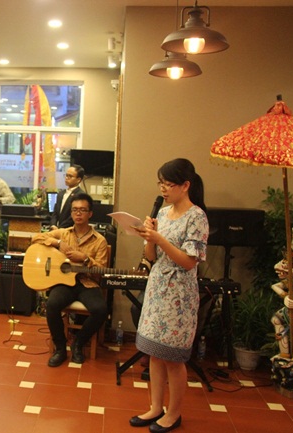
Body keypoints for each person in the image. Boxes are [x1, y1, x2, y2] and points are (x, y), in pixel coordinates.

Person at [130, 158, 208, 433]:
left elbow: (189, 261)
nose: (163, 189)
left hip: (179, 295)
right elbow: (150, 257)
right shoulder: (162, 214)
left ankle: (174, 414)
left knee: (173, 358)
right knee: (155, 353)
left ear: (185, 185)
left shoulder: (197, 217)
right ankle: (155, 407)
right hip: (157, 288)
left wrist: (160, 239)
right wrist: (149, 237)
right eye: (160, 183)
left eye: (168, 184)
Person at [31, 193, 108, 367]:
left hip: (87, 283)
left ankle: (78, 343)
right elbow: (36, 238)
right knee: (52, 304)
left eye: (83, 210)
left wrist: (85, 259)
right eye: (75, 210)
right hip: (64, 282)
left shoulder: (100, 241)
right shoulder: (63, 233)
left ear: (90, 213)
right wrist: (58, 243)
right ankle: (60, 348)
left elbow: (102, 270)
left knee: (101, 309)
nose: (78, 213)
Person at [50, 165, 85, 230]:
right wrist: (53, 225)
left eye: (70, 176)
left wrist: (60, 228)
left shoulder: (81, 195)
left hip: (70, 230)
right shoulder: (61, 193)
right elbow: (55, 213)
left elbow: (74, 216)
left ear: (78, 180)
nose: (66, 178)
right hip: (55, 230)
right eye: (66, 175)